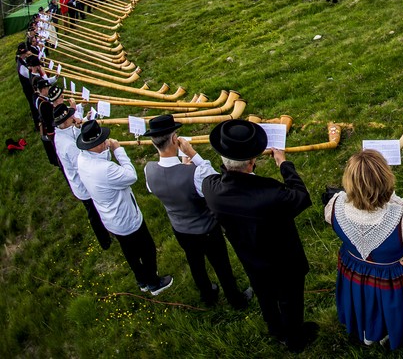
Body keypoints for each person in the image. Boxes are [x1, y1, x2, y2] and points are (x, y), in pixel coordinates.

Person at [202, 119, 318, 352]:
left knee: (265, 295)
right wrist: (284, 164)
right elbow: (301, 196)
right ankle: (295, 339)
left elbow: (212, 177)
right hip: (283, 260)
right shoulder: (270, 193)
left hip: (251, 258)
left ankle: (275, 329)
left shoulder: (211, 189)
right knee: (290, 300)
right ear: (253, 161)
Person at [324, 150, 403, 349]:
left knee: (362, 301)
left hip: (353, 269)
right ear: (386, 180)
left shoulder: (335, 204)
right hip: (390, 275)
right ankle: (390, 330)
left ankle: (366, 332)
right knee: (392, 306)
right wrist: (397, 201)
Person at [143, 115, 251, 309]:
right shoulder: (195, 173)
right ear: (175, 139)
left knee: (195, 263)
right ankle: (236, 300)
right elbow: (217, 184)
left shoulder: (149, 169)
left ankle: (207, 295)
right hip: (206, 228)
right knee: (222, 266)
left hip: (180, 228)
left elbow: (157, 188)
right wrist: (193, 154)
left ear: (153, 142)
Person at [76, 120, 173, 295]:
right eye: (103, 141)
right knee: (148, 248)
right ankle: (153, 282)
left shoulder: (82, 158)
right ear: (96, 145)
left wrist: (106, 149)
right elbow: (131, 176)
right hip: (126, 218)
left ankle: (141, 280)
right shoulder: (106, 169)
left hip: (110, 218)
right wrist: (118, 150)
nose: (107, 142)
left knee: (130, 252)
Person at [52, 104, 112, 250]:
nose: (74, 117)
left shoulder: (63, 132)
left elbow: (76, 135)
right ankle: (105, 241)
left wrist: (82, 123)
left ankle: (107, 232)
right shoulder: (68, 146)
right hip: (84, 185)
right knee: (94, 213)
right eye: (70, 117)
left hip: (81, 182)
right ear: (65, 122)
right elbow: (83, 165)